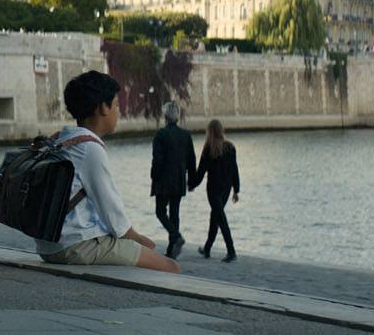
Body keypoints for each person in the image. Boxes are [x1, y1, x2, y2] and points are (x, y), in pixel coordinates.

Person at [34, 71, 179, 274]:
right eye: (117, 105)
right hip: (76, 245)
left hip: (49, 245)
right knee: (170, 267)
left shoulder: (61, 139)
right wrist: (140, 240)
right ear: (103, 107)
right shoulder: (90, 149)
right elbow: (113, 215)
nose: (118, 111)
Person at [190, 119, 241, 262]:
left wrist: (192, 184)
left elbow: (200, 172)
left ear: (210, 132)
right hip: (225, 189)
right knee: (216, 218)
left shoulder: (209, 149)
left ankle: (231, 251)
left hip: (213, 190)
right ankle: (207, 249)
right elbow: (234, 170)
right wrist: (236, 190)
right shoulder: (230, 147)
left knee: (220, 218)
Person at [151, 100, 195, 259]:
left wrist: (154, 177)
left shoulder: (160, 134)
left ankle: (176, 237)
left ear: (165, 116)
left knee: (160, 211)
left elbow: (157, 159)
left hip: (163, 180)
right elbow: (191, 159)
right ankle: (171, 250)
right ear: (177, 117)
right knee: (174, 213)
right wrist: (192, 181)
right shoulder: (186, 135)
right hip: (179, 180)